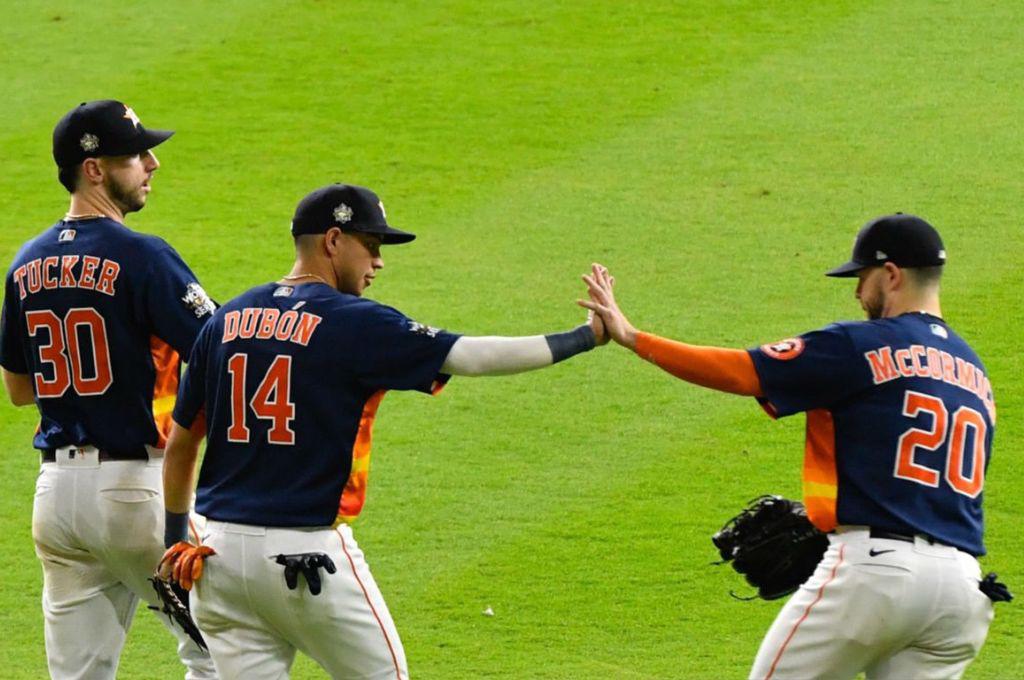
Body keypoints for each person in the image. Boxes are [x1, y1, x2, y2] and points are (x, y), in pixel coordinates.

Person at [157, 183, 607, 679]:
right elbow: (472, 357)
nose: (379, 262)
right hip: (306, 560)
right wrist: (586, 336)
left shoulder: (226, 319)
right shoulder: (354, 322)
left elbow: (180, 446)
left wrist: (174, 538)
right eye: (370, 245)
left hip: (216, 560)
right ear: (333, 240)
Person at [579, 214, 998, 679]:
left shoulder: (858, 344)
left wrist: (633, 337)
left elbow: (743, 371)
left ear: (892, 274)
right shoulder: (975, 373)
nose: (858, 292)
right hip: (962, 593)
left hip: (878, 575)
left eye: (862, 278)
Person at [0, 100, 217, 679]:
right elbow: (222, 353)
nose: (152, 164)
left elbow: (19, 390)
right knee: (225, 645)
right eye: (136, 154)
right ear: (94, 168)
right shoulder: (143, 255)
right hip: (135, 493)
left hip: (56, 500)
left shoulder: (25, 262)